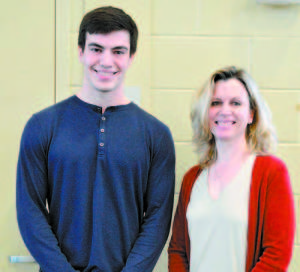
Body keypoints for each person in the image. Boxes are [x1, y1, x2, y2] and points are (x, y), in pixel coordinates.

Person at [16, 6, 175, 272]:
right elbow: (30, 211)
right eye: (96, 48)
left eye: (118, 51)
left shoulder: (156, 135)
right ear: (80, 51)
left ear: (131, 56)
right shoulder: (42, 126)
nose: (106, 61)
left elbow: (158, 219)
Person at [168, 66, 295, 271]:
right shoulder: (192, 178)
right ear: (205, 114)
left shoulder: (271, 172)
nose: (225, 110)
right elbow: (178, 250)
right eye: (215, 103)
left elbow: (276, 254)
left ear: (251, 114)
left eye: (235, 103)